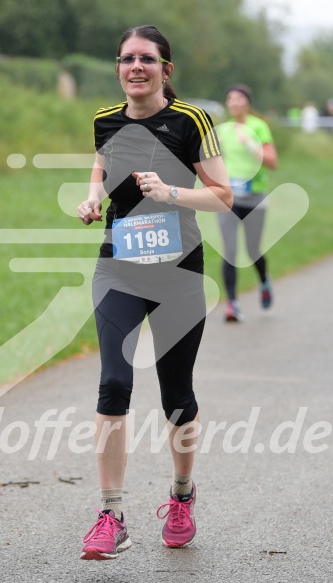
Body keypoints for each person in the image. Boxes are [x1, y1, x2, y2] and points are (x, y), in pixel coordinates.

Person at [76, 24, 232, 561]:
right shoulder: (104, 119)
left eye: (146, 59)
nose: (135, 67)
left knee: (176, 398)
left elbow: (223, 197)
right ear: (118, 67)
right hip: (118, 269)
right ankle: (110, 513)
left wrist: (170, 193)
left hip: (179, 275)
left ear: (166, 69)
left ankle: (182, 496)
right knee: (113, 384)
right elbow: (101, 162)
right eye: (126, 59)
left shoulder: (191, 121)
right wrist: (93, 196)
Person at [216, 84, 278, 322]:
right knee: (230, 250)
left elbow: (272, 162)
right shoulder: (223, 130)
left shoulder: (258, 126)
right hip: (229, 199)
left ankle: (264, 280)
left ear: (247, 102)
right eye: (230, 98)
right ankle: (232, 304)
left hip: (255, 198)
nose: (233, 102)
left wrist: (250, 144)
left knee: (252, 250)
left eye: (239, 98)